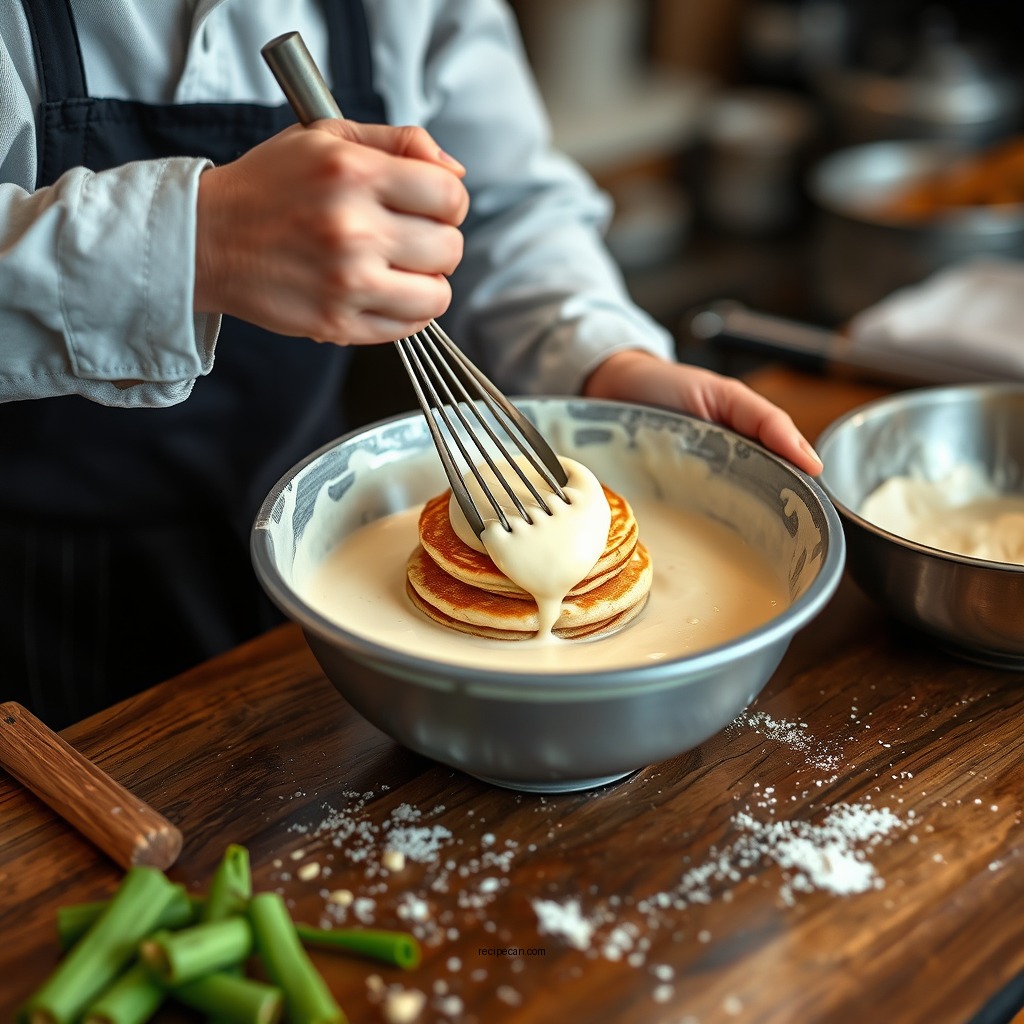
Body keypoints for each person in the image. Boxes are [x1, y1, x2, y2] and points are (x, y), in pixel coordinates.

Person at [0, 0, 822, 729]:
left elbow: (497, 206)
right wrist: (196, 241)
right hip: (36, 587)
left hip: (308, 535)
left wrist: (606, 362)